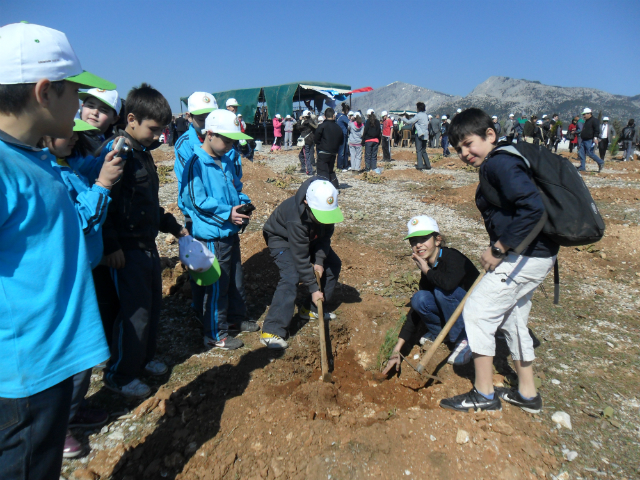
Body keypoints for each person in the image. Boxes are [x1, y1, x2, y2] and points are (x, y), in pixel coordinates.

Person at [0, 22, 115, 478]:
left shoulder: (34, 157)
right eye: (78, 95)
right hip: (24, 374)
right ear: (45, 92)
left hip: (46, 369)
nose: (83, 108)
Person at [440, 108, 558, 413]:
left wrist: (499, 247)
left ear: (489, 135)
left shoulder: (499, 163)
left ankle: (484, 393)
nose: (465, 153)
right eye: (459, 149)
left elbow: (532, 209)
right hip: (537, 253)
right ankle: (528, 395)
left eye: (468, 144)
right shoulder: (506, 158)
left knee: (478, 309)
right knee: (514, 318)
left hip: (527, 255)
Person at [43, 118, 124, 458]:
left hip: (85, 270)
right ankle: (55, 428)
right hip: (67, 278)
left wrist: (109, 155)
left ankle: (72, 412)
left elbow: (89, 166)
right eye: (67, 134)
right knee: (70, 357)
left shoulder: (68, 164)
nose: (74, 139)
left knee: (85, 353)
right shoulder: (49, 175)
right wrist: (103, 185)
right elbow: (77, 224)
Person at [100, 84, 188, 398]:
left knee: (151, 306)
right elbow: (106, 202)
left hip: (146, 245)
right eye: (153, 129)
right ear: (132, 119)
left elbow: (148, 204)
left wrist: (173, 227)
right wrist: (111, 246)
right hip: (126, 250)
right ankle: (120, 373)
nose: (157, 136)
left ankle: (144, 359)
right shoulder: (117, 152)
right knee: (133, 312)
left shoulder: (143, 154)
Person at [181, 109, 258, 351]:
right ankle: (215, 333)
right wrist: (228, 213)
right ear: (210, 134)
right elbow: (196, 202)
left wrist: (243, 203)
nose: (230, 145)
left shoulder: (225, 160)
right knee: (217, 286)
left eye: (234, 141)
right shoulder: (195, 164)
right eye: (227, 140)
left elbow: (236, 187)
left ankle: (235, 318)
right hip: (213, 236)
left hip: (229, 233)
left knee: (235, 280)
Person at [382, 216, 480, 375]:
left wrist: (427, 271)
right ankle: (443, 335)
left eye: (424, 239)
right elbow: (415, 311)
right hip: (456, 313)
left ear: (437, 240)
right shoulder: (429, 267)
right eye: (413, 241)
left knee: (442, 291)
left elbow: (448, 285)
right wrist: (397, 349)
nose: (418, 245)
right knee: (420, 298)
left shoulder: (452, 257)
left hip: (477, 315)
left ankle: (464, 339)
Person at [260, 178, 344, 349]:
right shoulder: (295, 219)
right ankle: (272, 330)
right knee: (291, 274)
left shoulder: (325, 209)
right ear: (306, 203)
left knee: (333, 264)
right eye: (321, 216)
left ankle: (311, 309)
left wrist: (319, 261)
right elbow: (300, 257)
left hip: (310, 237)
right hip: (281, 238)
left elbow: (325, 237)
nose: (325, 220)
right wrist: (314, 288)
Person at [314, 107, 343, 188]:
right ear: (333, 115)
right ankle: (335, 187)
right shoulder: (338, 127)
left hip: (323, 151)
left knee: (322, 171)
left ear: (325, 116)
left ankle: (324, 189)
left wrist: (320, 144)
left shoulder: (322, 126)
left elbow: (316, 139)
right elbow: (341, 141)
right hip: (333, 153)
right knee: (330, 170)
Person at [400, 102, 431, 169]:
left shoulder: (418, 115)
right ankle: (428, 165)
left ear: (418, 108)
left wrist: (404, 118)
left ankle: (420, 166)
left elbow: (409, 122)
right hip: (425, 134)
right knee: (423, 150)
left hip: (419, 134)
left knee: (418, 150)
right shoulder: (425, 115)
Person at [578, 107, 604, 172]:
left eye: (584, 114)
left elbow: (597, 130)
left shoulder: (594, 120)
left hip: (590, 140)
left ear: (589, 114)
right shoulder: (587, 121)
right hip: (584, 140)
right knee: (581, 153)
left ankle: (600, 162)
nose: (583, 116)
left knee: (590, 153)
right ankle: (582, 167)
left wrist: (595, 138)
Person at [298, 109, 318, 175]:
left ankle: (309, 170)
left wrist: (299, 120)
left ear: (304, 116)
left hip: (306, 140)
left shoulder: (306, 122)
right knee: (303, 155)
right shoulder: (312, 122)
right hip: (311, 140)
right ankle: (304, 168)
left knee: (306, 155)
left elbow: (299, 128)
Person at [336, 103, 350, 171]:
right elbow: (350, 123)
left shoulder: (338, 116)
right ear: (346, 110)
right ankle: (341, 166)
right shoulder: (343, 117)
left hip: (339, 135)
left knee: (343, 151)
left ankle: (344, 165)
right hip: (343, 135)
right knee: (342, 151)